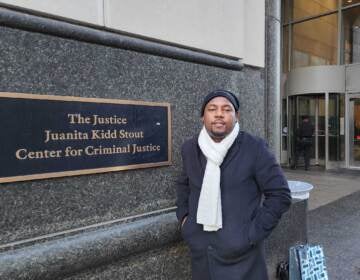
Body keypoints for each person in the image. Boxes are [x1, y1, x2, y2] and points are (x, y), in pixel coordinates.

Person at [176, 89, 292, 280]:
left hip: (243, 260)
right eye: (212, 109)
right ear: (202, 117)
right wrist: (184, 220)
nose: (219, 114)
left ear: (236, 116)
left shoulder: (254, 148)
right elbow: (184, 184)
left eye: (227, 109)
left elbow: (280, 195)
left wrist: (251, 235)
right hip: (202, 253)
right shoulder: (190, 148)